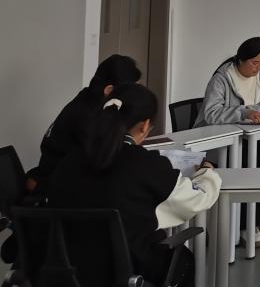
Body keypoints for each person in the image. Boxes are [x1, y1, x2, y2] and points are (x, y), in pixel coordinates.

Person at [49, 83, 221, 287]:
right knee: (182, 259)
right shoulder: (145, 164)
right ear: (145, 126)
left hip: (65, 267)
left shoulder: (68, 161)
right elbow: (197, 198)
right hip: (127, 271)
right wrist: (207, 173)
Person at [194, 36, 260, 246]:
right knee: (245, 166)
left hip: (248, 136)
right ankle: (245, 226)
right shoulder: (222, 78)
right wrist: (244, 113)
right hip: (221, 140)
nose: (259, 68)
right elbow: (211, 113)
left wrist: (253, 112)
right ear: (241, 59)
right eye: (254, 63)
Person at [27, 54, 142, 195]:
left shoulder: (89, 100)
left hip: (64, 179)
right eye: (130, 91)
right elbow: (106, 160)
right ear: (109, 90)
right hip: (53, 189)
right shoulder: (87, 116)